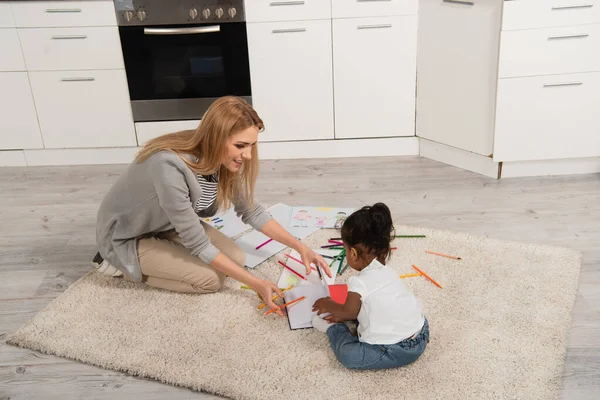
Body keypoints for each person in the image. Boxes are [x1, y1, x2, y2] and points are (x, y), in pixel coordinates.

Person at [92, 96, 331, 315]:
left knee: (235, 259)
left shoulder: (223, 158)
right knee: (210, 280)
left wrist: (300, 247)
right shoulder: (168, 165)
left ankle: (162, 255)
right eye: (240, 146)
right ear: (217, 138)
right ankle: (116, 264)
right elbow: (198, 244)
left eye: (251, 145)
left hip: (164, 223)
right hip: (128, 234)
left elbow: (251, 211)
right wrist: (256, 283)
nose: (247, 155)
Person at [311, 203, 429, 369]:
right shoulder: (389, 272)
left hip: (392, 350)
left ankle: (334, 330)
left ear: (352, 253)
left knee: (349, 356)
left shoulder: (358, 283)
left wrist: (328, 303)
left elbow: (349, 311)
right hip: (420, 336)